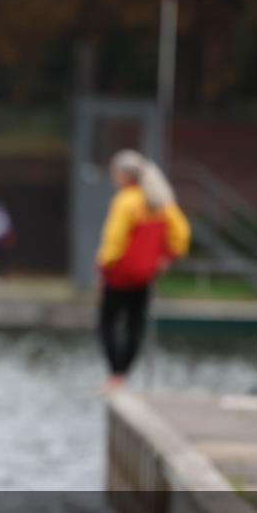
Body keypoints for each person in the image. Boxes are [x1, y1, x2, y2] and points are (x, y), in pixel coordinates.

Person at [96, 150, 191, 391]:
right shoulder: (159, 201)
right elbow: (181, 233)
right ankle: (123, 374)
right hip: (144, 276)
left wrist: (103, 267)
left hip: (119, 276)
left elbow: (114, 240)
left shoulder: (125, 201)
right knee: (135, 326)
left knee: (107, 324)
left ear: (124, 175)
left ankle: (114, 373)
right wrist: (167, 257)